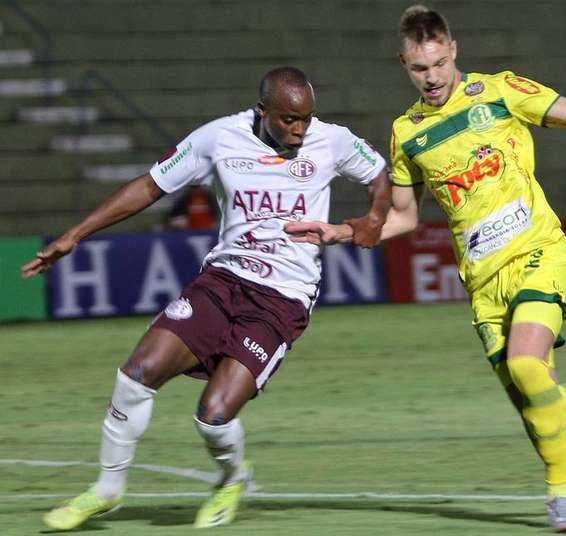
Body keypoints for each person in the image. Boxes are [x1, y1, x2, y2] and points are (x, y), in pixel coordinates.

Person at [285, 5, 566, 531]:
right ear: (403, 64)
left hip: (538, 253)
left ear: (453, 51)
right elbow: (403, 219)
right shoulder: (406, 133)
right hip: (483, 284)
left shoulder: (499, 92)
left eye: (437, 63)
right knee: (537, 407)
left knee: (527, 366)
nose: (430, 77)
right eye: (417, 68)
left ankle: (560, 496)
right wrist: (342, 231)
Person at [22, 66, 391, 530]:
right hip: (221, 283)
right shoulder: (219, 138)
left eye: (306, 118)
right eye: (289, 120)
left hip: (283, 299)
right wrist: (74, 234)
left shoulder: (331, 140)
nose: (300, 129)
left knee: (213, 417)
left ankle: (234, 477)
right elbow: (150, 186)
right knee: (135, 376)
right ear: (263, 112)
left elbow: (380, 175)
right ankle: (106, 491)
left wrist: (374, 218)